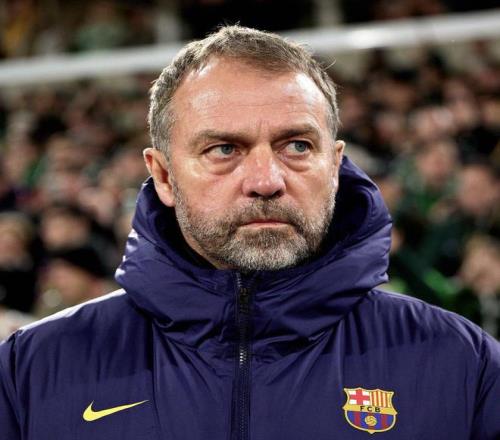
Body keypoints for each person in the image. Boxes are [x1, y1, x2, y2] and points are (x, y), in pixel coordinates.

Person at [0, 25, 499, 440]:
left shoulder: (463, 365)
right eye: (224, 149)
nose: (266, 180)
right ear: (164, 176)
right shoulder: (29, 373)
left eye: (297, 146)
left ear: (335, 165)